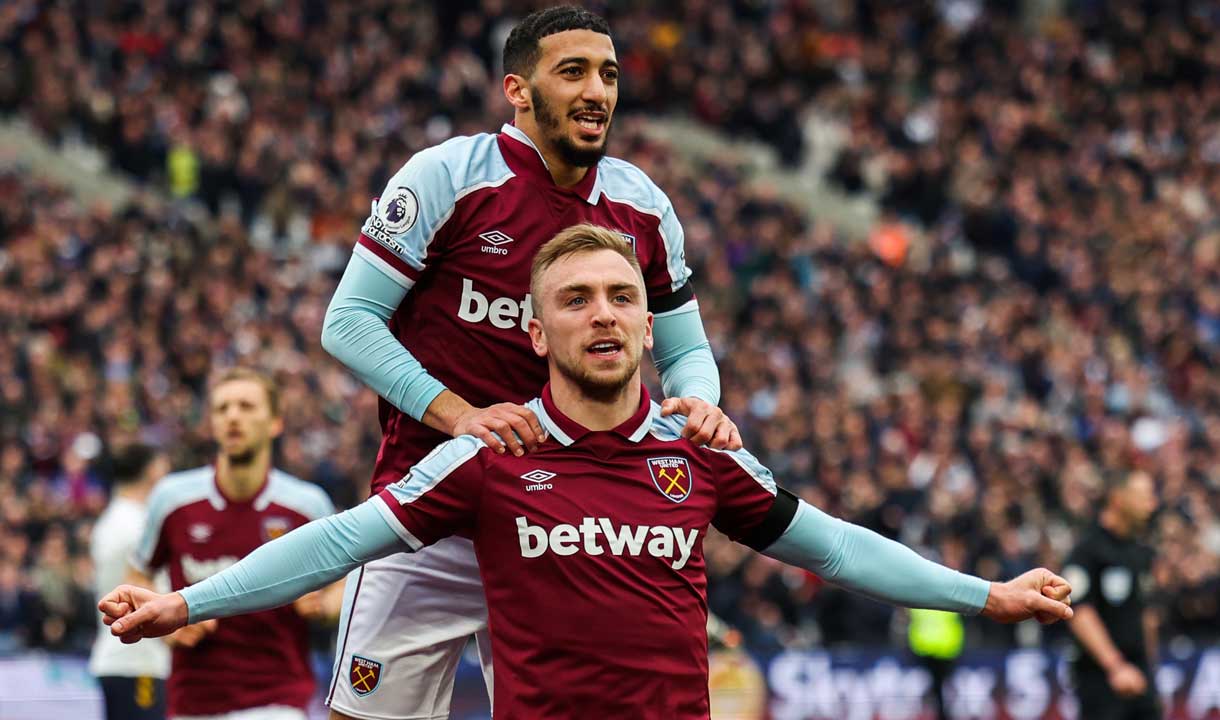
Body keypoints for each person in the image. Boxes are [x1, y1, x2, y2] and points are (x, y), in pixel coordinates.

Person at [104, 226, 1074, 718]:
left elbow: (832, 547)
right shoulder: (491, 453)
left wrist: (984, 595)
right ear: (535, 330)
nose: (603, 313)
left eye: (621, 296)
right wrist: (185, 607)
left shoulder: (697, 451)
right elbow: (338, 542)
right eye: (575, 299)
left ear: (649, 325)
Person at [318, 6, 737, 718]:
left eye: (608, 74)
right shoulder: (448, 175)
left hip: (563, 525)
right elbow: (348, 322)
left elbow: (686, 348)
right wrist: (460, 416)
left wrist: (695, 399)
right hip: (433, 511)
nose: (597, 91)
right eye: (572, 72)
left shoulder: (641, 204)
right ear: (518, 89)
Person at [129, 368, 337, 720]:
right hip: (191, 700)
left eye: (246, 406)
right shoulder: (172, 499)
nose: (233, 416)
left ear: (275, 423)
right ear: (211, 424)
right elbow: (137, 576)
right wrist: (165, 629)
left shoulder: (306, 505)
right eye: (223, 408)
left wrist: (323, 606)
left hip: (278, 697)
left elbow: (343, 585)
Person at [1063, 470, 1161, 720]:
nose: (1152, 505)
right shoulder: (1088, 551)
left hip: (1139, 675)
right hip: (1102, 679)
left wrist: (1150, 673)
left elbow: (1147, 616)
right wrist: (1116, 668)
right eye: (1144, 496)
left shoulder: (1141, 552)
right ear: (1118, 498)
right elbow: (1080, 612)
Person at [89, 444, 172, 720]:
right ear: (151, 471)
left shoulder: (112, 520)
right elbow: (142, 589)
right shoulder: (137, 525)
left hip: (120, 658)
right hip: (139, 661)